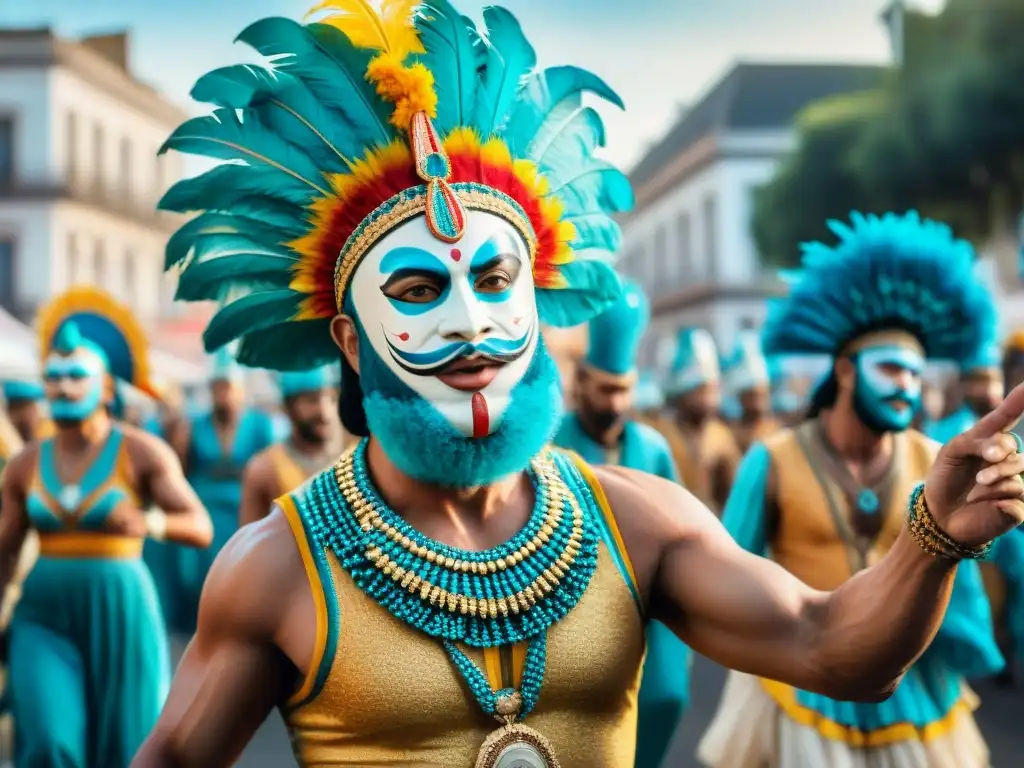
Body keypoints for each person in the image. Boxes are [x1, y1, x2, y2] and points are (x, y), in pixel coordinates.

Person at [134, 5, 1024, 766]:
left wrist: (935, 536)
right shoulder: (277, 568)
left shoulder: (639, 519)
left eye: (494, 282)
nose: (469, 322)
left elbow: (832, 646)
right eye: (415, 290)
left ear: (536, 305)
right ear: (351, 342)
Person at [699, 211, 1006, 768]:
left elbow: (958, 581)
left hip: (913, 686)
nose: (906, 387)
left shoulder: (932, 459)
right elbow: (724, 575)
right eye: (891, 368)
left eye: (915, 374)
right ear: (844, 370)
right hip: (799, 682)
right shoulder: (772, 459)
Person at [0, 286, 212, 768]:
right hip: (42, 614)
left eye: (77, 376)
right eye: (52, 378)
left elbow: (198, 525)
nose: (62, 388)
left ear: (107, 389)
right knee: (51, 743)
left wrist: (149, 521)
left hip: (121, 609)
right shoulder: (25, 464)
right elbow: (5, 548)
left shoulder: (140, 451)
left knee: (126, 747)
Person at [553, 280, 689, 768]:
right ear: (582, 382)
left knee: (664, 698)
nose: (614, 403)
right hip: (565, 612)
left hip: (645, 607)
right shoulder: (551, 443)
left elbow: (680, 532)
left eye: (624, 391)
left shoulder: (652, 448)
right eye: (605, 390)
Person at [158, 347, 274, 634]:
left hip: (242, 509)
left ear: (241, 389)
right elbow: (181, 471)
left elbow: (272, 472)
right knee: (197, 574)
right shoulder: (195, 425)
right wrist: (177, 444)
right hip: (205, 508)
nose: (223, 395)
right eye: (217, 388)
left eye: (228, 387)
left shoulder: (260, 425)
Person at [239, 367, 342, 526]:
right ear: (288, 407)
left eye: (331, 398)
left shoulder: (354, 459)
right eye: (312, 400)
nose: (325, 412)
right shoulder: (263, 470)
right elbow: (247, 545)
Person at [659, 327, 741, 512]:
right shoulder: (661, 436)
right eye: (700, 390)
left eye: (711, 390)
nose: (707, 399)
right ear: (682, 393)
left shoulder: (721, 436)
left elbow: (733, 496)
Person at [926, 340, 1004, 443]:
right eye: (981, 381)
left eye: (996, 380)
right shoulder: (954, 430)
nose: (992, 389)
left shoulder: (1009, 424)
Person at [723, 330, 780, 454]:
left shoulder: (779, 434)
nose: (758, 401)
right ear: (741, 397)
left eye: (761, 394)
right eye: (752, 395)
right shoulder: (727, 438)